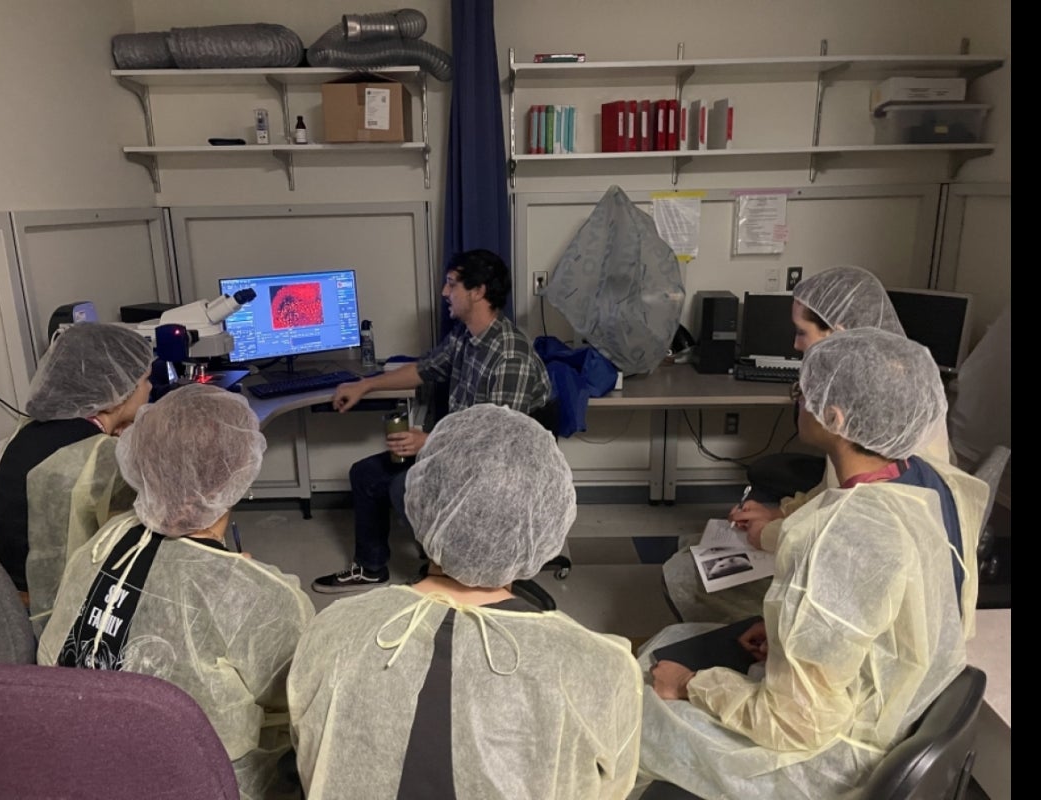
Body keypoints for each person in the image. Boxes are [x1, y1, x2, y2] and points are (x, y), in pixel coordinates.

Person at [635, 328, 987, 798]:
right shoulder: (915, 498)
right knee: (672, 639)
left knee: (633, 700)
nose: (798, 400)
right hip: (878, 712)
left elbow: (792, 724)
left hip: (827, 763)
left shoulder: (838, 538)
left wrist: (693, 684)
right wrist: (787, 637)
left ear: (835, 417)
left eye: (804, 392)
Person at [289, 404, 642, 798]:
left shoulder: (332, 632)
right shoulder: (602, 670)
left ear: (420, 500)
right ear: (548, 519)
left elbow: (309, 760)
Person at [37, 383, 314, 800]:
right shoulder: (267, 599)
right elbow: (301, 700)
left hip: (77, 765)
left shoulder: (102, 542)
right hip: (201, 783)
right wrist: (238, 587)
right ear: (240, 473)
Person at [664, 265, 954, 623]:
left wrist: (773, 534)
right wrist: (780, 513)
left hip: (862, 592)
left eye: (803, 333)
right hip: (847, 559)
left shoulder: (886, 411)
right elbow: (835, 494)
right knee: (694, 549)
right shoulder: (880, 390)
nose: (795, 345)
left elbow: (854, 542)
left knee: (688, 575)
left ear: (841, 335)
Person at [312, 248, 553, 593]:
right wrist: (365, 385)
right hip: (457, 449)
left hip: (494, 466)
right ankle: (371, 567)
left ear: (479, 291)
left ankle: (452, 566)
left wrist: (429, 442)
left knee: (402, 486)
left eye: (452, 284)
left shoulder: (509, 354)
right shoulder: (464, 335)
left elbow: (499, 442)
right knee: (366, 474)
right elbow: (424, 369)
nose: (444, 292)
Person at [0, 322, 154, 627]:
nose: (149, 388)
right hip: (64, 609)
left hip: (9, 601)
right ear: (118, 391)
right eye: (145, 380)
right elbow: (132, 546)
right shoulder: (99, 453)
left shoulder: (24, 435)